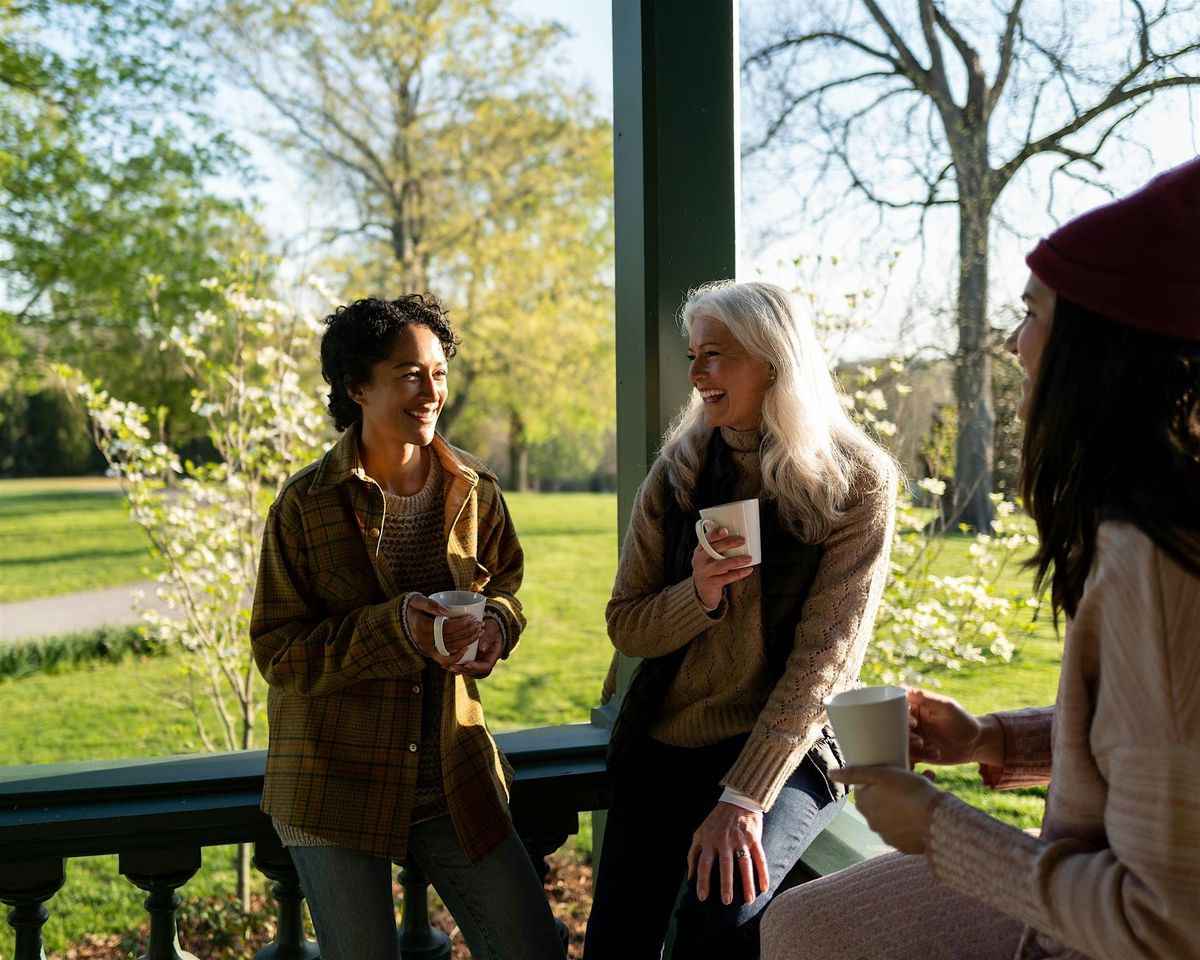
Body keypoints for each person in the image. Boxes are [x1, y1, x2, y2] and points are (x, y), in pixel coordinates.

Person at [760, 158, 1200, 960]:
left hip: (1099, 922)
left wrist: (936, 828)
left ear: (1092, 351)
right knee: (802, 922)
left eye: (1031, 313)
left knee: (804, 932)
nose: (1011, 341)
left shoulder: (1157, 569)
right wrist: (993, 741)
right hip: (1092, 869)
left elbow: (1166, 925)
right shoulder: (1160, 532)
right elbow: (1165, 739)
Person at [583, 280, 897, 959]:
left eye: (714, 356)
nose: (695, 375)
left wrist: (744, 799)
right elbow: (627, 625)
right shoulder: (678, 474)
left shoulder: (857, 481)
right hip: (668, 740)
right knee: (615, 944)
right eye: (694, 355)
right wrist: (696, 597)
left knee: (715, 932)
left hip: (786, 750)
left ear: (774, 360)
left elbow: (826, 664)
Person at [250, 295, 564, 960]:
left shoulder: (475, 487)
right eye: (410, 374)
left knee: (532, 946)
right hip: (333, 781)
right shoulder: (304, 507)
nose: (432, 392)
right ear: (357, 386)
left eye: (441, 372)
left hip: (451, 771)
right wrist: (394, 631)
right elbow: (279, 653)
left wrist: (496, 631)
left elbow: (503, 584)